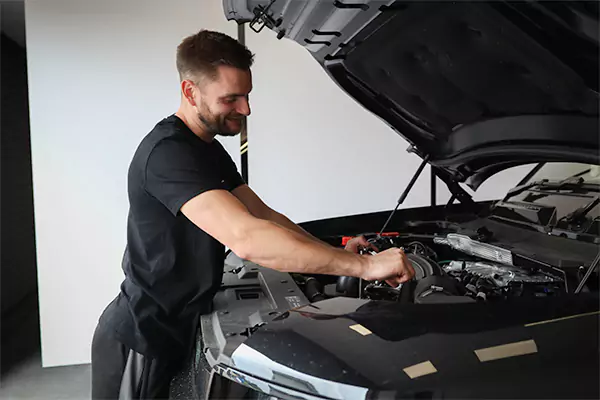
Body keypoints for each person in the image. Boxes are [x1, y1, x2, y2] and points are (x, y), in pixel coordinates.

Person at [91, 29, 415, 399]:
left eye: (247, 95)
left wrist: (338, 253)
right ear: (189, 91)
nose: (245, 109)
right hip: (142, 336)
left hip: (180, 325)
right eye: (231, 98)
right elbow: (246, 237)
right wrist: (366, 268)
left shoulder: (206, 149)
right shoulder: (168, 154)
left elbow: (264, 215)